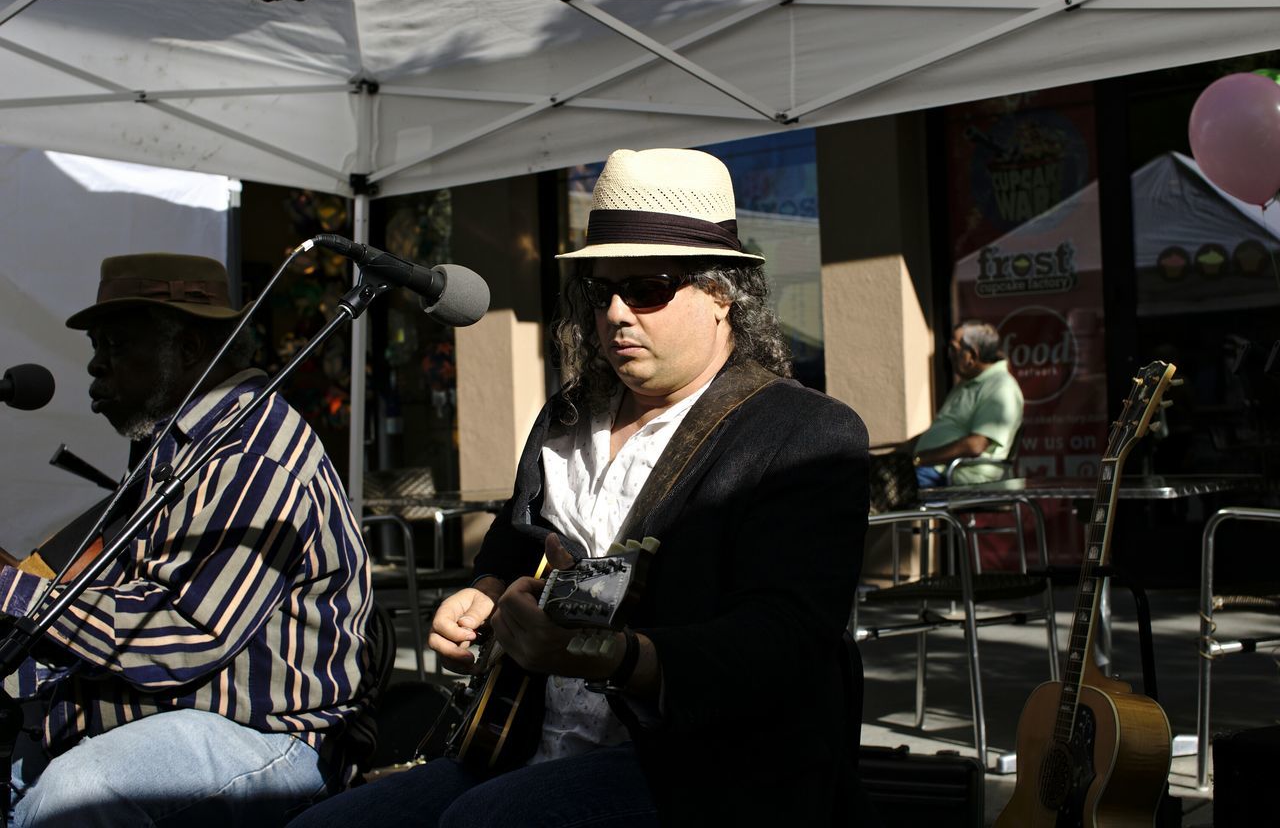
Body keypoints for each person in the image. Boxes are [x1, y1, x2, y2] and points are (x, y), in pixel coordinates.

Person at [289, 147, 870, 827]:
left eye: (648, 289)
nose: (618, 314)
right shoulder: (565, 417)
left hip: (699, 772)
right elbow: (513, 546)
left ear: (722, 295)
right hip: (519, 745)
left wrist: (606, 654)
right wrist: (480, 598)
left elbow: (785, 644)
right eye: (601, 292)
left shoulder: (805, 434)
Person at [0, 254, 373, 827]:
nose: (96, 367)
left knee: (82, 790)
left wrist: (13, 594)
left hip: (272, 740)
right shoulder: (176, 448)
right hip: (165, 718)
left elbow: (184, 632)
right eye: (96, 347)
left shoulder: (250, 453)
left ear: (191, 350)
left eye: (117, 346)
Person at [910, 320, 1024, 487]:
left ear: (972, 355)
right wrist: (905, 449)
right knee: (872, 473)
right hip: (935, 468)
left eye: (954, 349)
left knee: (878, 486)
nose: (949, 355)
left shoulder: (1001, 387)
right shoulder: (968, 383)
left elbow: (976, 445)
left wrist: (920, 459)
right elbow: (947, 427)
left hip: (961, 475)